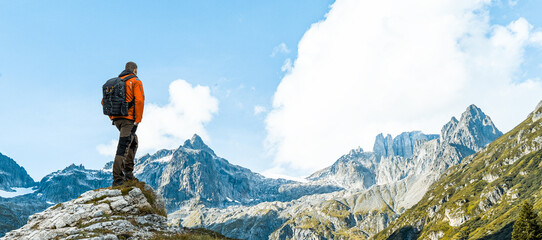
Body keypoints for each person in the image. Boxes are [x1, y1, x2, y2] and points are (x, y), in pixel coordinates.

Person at [106, 61, 145, 187]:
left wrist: (113, 116)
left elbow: (104, 101)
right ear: (134, 70)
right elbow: (139, 100)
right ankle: (118, 179)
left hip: (117, 120)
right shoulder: (135, 81)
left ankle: (128, 173)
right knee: (123, 147)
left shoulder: (114, 83)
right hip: (129, 120)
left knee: (133, 142)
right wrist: (137, 119)